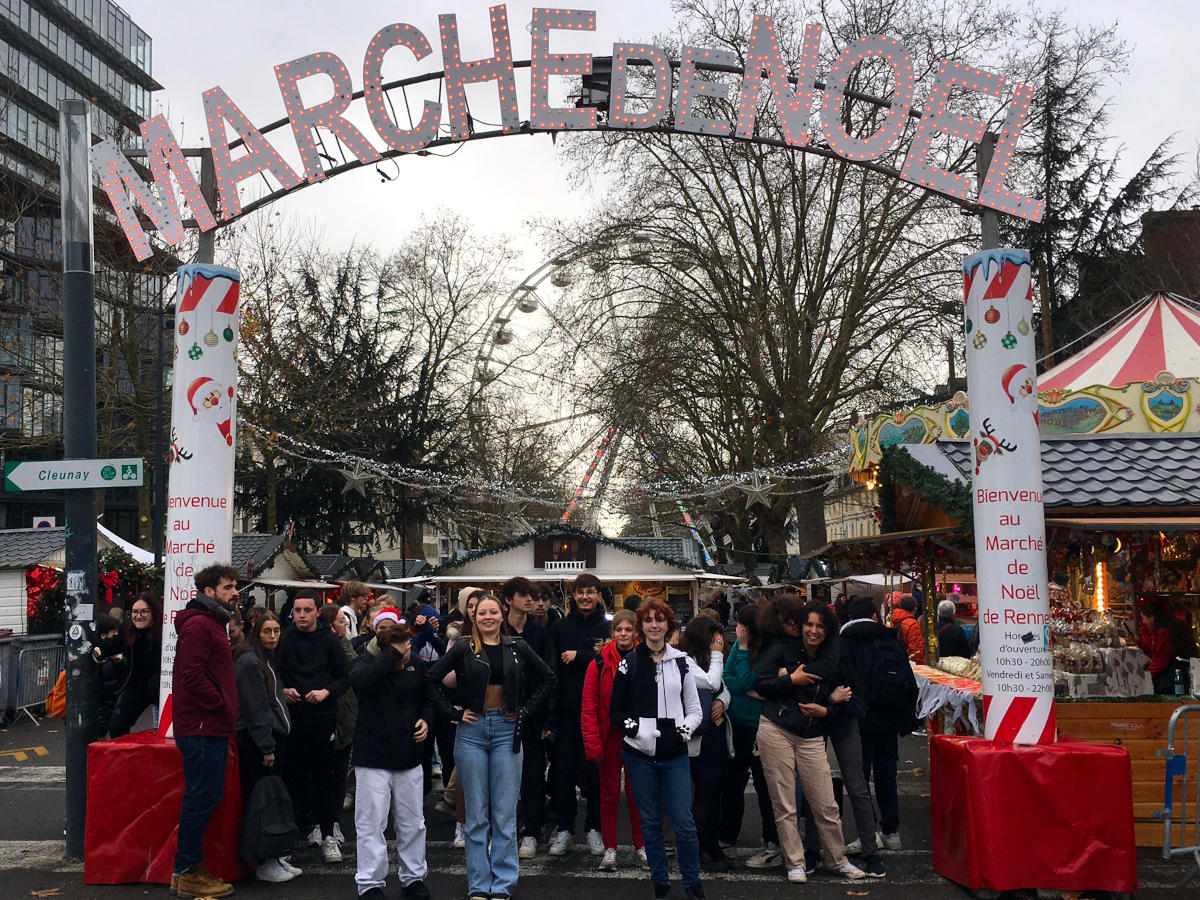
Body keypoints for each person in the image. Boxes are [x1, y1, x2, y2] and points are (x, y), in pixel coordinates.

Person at [427, 594, 556, 900]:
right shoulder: (462, 648)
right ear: (474, 617)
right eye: (481, 612)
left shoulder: (518, 647)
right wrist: (453, 713)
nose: (487, 617)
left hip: (505, 730)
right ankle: (478, 885)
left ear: (502, 615)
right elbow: (431, 679)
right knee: (476, 816)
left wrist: (524, 711)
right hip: (471, 732)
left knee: (504, 813)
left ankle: (502, 884)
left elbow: (549, 678)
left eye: (493, 612)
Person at [754, 598, 865, 883]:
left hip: (812, 733)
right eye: (809, 624)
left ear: (828, 630)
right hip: (776, 727)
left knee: (826, 803)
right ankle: (795, 863)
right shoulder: (782, 647)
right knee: (785, 803)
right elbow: (760, 682)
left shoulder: (834, 656)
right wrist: (791, 679)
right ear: (801, 625)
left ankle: (837, 860)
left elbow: (846, 695)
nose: (813, 630)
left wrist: (828, 708)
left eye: (819, 626)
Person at [609, 599, 705, 900]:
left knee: (684, 823)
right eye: (648, 620)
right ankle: (660, 882)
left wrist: (682, 732)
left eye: (660, 619)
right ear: (642, 626)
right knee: (650, 822)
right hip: (639, 755)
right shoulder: (630, 663)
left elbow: (694, 709)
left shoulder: (682, 661)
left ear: (669, 625)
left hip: (675, 754)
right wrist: (638, 730)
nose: (654, 625)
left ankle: (692, 882)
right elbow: (616, 711)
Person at [351, 610, 434, 900]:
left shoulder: (418, 667)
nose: (406, 656)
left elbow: (429, 699)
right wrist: (390, 659)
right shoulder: (365, 663)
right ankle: (370, 883)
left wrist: (426, 718)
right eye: (400, 652)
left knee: (413, 822)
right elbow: (362, 683)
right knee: (371, 823)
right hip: (372, 757)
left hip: (409, 756)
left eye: (409, 649)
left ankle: (413, 877)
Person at [170, 564, 240, 899]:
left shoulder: (213, 624)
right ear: (208, 592)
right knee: (201, 797)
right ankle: (186, 871)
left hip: (206, 725)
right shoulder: (200, 625)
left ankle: (185, 870)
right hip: (201, 727)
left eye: (235, 586)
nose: (235, 592)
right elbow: (191, 677)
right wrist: (221, 705)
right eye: (228, 587)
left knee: (204, 796)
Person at [840, 596, 919, 855]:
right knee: (887, 776)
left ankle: (868, 833)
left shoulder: (846, 641)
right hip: (889, 717)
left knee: (860, 779)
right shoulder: (889, 638)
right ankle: (891, 831)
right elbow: (907, 679)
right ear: (875, 614)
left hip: (861, 719)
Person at [277, 589, 351, 863]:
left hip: (323, 718)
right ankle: (288, 842)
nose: (302, 616)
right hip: (293, 719)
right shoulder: (284, 638)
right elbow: (273, 675)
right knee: (293, 779)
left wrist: (326, 693)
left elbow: (345, 677)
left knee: (325, 780)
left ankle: (328, 836)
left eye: (307, 610)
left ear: (318, 612)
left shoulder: (329, 640)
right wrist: (283, 690)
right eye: (297, 610)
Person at [233, 611, 300, 883]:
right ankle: (264, 861)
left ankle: (273, 857)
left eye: (276, 631)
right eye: (267, 632)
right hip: (257, 740)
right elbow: (255, 708)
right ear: (256, 633)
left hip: (269, 736)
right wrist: (266, 746)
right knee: (263, 801)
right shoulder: (250, 661)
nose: (273, 636)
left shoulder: (265, 659)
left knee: (271, 798)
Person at [548, 573, 611, 857]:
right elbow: (552, 673)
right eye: (580, 592)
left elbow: (613, 661)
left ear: (599, 594)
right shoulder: (559, 627)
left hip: (600, 715)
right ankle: (564, 828)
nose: (585, 597)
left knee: (595, 775)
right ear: (573, 596)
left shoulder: (609, 627)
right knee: (563, 773)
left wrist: (581, 655)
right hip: (566, 712)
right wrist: (550, 716)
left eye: (591, 592)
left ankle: (595, 827)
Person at [581, 609, 646, 871]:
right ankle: (610, 848)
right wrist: (593, 744)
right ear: (612, 633)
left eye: (628, 629)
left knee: (638, 795)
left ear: (636, 632)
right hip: (609, 738)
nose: (623, 634)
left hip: (638, 737)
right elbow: (589, 706)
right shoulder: (598, 664)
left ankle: (642, 846)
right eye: (619, 630)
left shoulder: (646, 660)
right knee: (608, 795)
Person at [718, 604, 779, 869]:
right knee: (732, 785)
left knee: (767, 787)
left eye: (741, 624)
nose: (737, 628)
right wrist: (748, 688)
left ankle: (773, 843)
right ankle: (727, 838)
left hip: (762, 725)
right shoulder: (738, 646)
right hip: (737, 725)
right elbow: (727, 677)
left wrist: (743, 651)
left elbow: (745, 679)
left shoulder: (768, 648)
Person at [501, 576, 555, 860]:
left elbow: (550, 676)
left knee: (533, 774)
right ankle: (505, 830)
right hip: (500, 715)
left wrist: (544, 718)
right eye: (524, 595)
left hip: (532, 716)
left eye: (533, 596)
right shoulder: (497, 630)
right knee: (503, 778)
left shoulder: (541, 634)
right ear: (509, 599)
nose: (531, 600)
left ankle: (532, 831)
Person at [680, 616, 732, 872]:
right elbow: (711, 681)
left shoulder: (706, 662)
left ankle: (711, 846)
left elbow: (722, 687)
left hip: (714, 734)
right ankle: (700, 849)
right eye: (713, 639)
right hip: (698, 737)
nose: (719, 643)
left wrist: (722, 702)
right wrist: (717, 656)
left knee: (712, 794)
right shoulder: (686, 662)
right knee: (704, 794)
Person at [319, 603, 360, 843]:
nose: (345, 624)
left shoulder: (344, 642)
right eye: (341, 620)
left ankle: (332, 822)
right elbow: (350, 669)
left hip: (347, 714)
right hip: (332, 714)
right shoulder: (332, 646)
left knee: (339, 775)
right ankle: (321, 824)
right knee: (326, 774)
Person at [104, 591, 162, 737]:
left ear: (153, 612)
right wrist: (99, 648)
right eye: (135, 612)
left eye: (144, 611)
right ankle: (122, 758)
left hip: (161, 685)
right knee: (117, 724)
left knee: (162, 730)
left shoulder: (165, 629)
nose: (138, 616)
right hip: (135, 684)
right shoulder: (127, 628)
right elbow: (115, 643)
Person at [91, 613, 127, 736]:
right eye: (113, 632)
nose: (116, 635)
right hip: (105, 710)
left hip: (107, 709)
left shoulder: (110, 656)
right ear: (104, 634)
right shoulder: (104, 660)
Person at [890, 595, 926, 665]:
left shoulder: (894, 620)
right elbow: (916, 650)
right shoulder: (912, 624)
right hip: (908, 663)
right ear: (915, 608)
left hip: (895, 659)